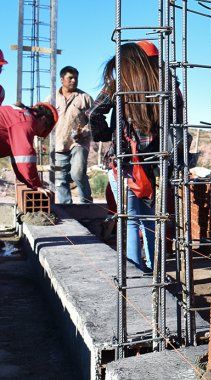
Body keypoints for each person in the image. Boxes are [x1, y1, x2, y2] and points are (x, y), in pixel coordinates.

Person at [87, 43, 163, 273]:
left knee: (130, 219)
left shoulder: (118, 84)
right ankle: (154, 269)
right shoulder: (160, 84)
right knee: (149, 218)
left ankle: (135, 270)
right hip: (150, 163)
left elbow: (94, 113)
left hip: (123, 160)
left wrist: (105, 135)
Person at [47, 66, 94, 204]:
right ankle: (66, 207)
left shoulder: (85, 98)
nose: (74, 80)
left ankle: (86, 204)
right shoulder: (51, 98)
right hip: (59, 143)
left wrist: (85, 131)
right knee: (60, 178)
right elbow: (44, 117)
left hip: (79, 143)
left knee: (77, 173)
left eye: (76, 78)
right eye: (70, 78)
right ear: (62, 80)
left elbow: (95, 121)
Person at [0, 102, 57, 189]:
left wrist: (29, 184)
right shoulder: (26, 121)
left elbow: (18, 159)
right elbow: (25, 157)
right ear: (43, 119)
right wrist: (36, 185)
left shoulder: (19, 115)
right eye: (45, 128)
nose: (38, 134)